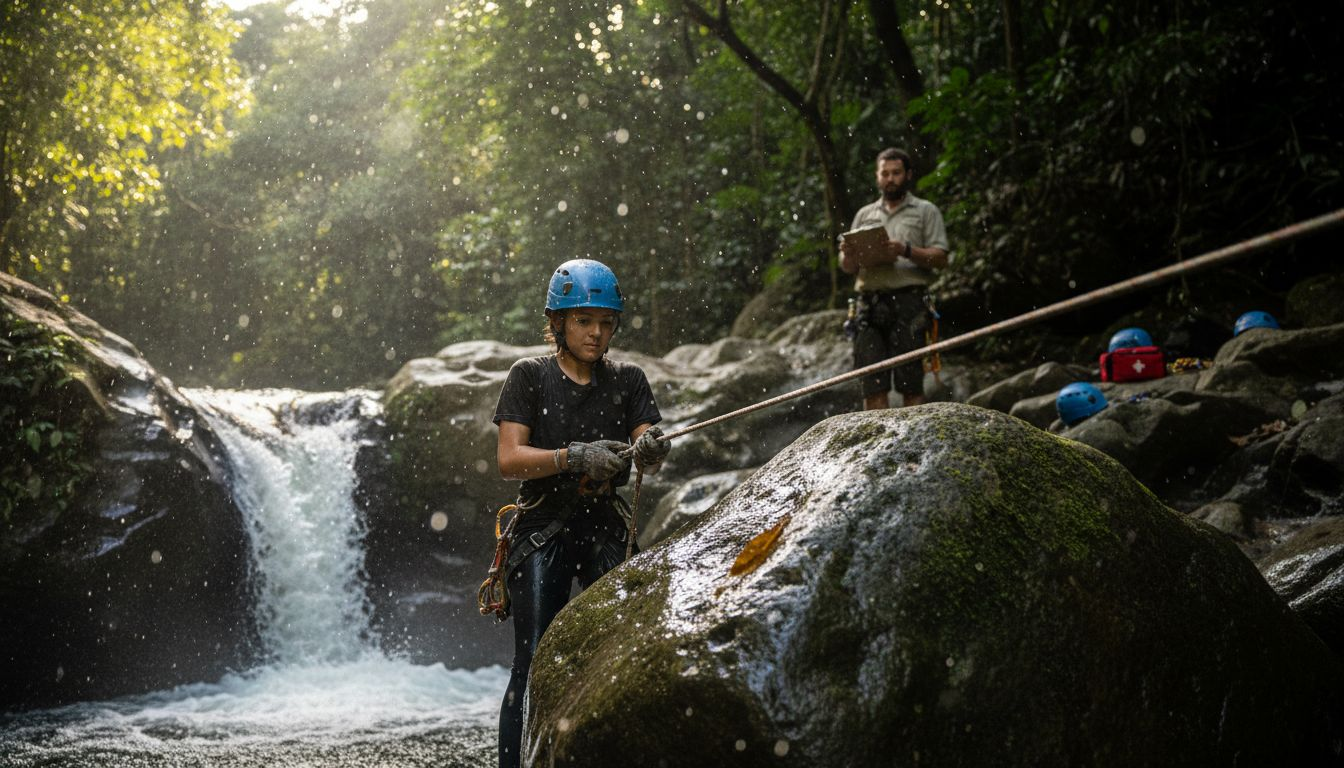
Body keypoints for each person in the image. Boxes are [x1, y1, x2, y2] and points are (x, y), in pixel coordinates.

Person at [492, 258, 671, 768]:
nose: (596, 333)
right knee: (531, 661)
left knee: (623, 649)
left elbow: (646, 444)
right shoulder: (529, 376)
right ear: (558, 323)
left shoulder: (628, 380)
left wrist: (652, 449)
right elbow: (509, 460)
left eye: (605, 323)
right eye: (583, 321)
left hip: (604, 522)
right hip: (543, 524)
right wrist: (572, 456)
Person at [839, 147, 950, 410]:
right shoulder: (864, 214)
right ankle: (875, 446)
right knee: (871, 383)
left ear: (908, 175)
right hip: (868, 304)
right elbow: (847, 268)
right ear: (877, 177)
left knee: (910, 382)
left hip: (909, 303)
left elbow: (942, 258)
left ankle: (912, 444)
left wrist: (905, 251)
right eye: (885, 173)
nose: (890, 179)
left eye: (896, 173)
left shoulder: (925, 211)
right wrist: (849, 253)